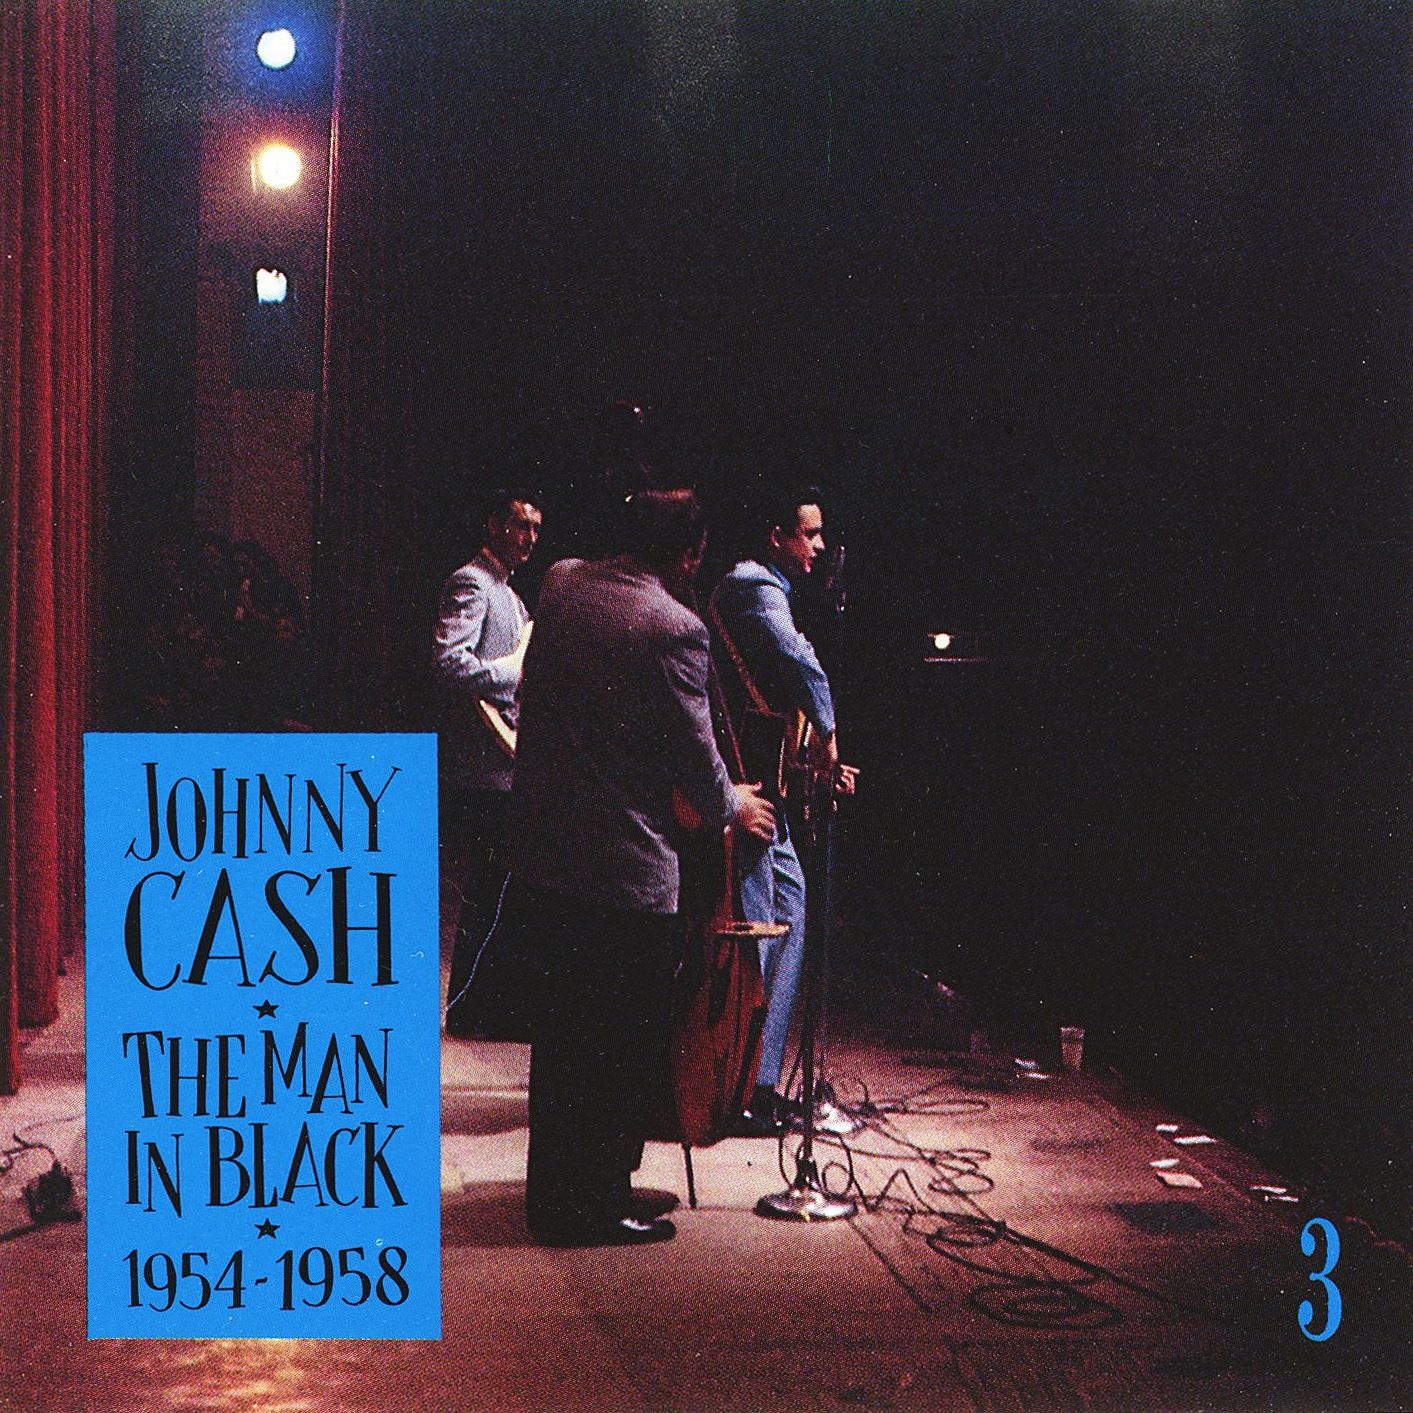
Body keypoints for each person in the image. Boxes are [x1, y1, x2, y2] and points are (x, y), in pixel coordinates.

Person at [502, 489, 775, 1246]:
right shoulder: (675, 628)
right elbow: (698, 767)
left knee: (563, 1043)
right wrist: (737, 804)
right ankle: (591, 1205)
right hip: (624, 871)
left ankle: (565, 1193)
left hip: (547, 857)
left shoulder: (560, 583)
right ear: (688, 555)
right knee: (618, 1044)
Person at [707, 485, 856, 1136]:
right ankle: (736, 1086)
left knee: (789, 911)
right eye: (808, 533)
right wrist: (828, 733)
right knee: (760, 925)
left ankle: (759, 1082)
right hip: (743, 788)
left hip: (770, 781)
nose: (819, 546)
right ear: (776, 536)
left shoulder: (772, 590)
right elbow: (800, 661)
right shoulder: (752, 585)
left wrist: (817, 760)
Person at [433, 488, 542, 1036]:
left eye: (536, 528)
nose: (530, 538)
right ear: (493, 525)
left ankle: (488, 1009)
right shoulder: (472, 582)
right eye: (521, 525)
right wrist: (513, 675)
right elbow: (448, 660)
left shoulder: (510, 594)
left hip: (506, 764)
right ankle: (472, 1010)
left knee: (500, 889)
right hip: (482, 766)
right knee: (487, 891)